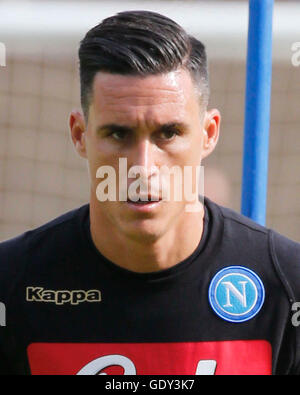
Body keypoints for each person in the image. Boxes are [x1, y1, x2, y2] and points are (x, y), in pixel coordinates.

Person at [0, 10, 300, 376]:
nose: (143, 166)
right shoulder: (11, 287)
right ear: (80, 134)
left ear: (208, 133)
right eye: (118, 134)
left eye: (168, 133)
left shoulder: (287, 287)